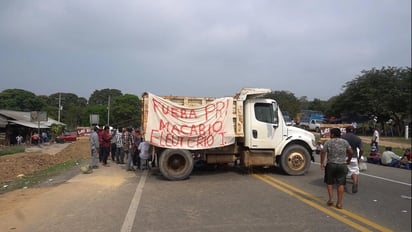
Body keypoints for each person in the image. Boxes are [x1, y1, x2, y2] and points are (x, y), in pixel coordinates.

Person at [320, 128, 353, 209]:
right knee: (341, 183)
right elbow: (351, 152)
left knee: (329, 182)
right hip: (342, 164)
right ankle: (339, 203)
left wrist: (322, 163)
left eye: (331, 133)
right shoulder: (345, 142)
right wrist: (348, 159)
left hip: (331, 164)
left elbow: (323, 152)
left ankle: (331, 199)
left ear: (333, 134)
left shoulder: (328, 142)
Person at [342, 126, 364, 193]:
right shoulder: (358, 139)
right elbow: (362, 149)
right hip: (354, 157)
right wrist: (359, 157)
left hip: (343, 157)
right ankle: (355, 183)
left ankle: (343, 185)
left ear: (346, 130)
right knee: (354, 172)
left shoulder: (342, 137)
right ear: (354, 131)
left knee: (343, 172)